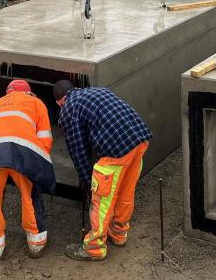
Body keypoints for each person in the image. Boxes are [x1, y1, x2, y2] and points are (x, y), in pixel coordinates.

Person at [53, 80, 152, 261]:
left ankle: (94, 247)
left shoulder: (68, 108)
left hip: (116, 150)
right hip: (139, 140)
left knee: (102, 199)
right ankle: (119, 234)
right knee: (125, 193)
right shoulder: (97, 91)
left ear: (60, 102)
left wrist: (87, 180)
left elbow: (78, 149)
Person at [0, 80, 55, 262]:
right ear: (28, 92)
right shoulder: (36, 103)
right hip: (22, 151)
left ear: (8, 93)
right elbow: (45, 137)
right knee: (29, 194)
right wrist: (38, 167)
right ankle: (36, 242)